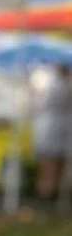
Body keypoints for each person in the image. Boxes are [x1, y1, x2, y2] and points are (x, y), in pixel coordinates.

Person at [33, 63, 72, 200]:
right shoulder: (66, 86)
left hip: (51, 130)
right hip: (61, 130)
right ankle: (52, 191)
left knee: (49, 163)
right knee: (56, 164)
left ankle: (47, 191)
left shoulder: (53, 87)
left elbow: (40, 105)